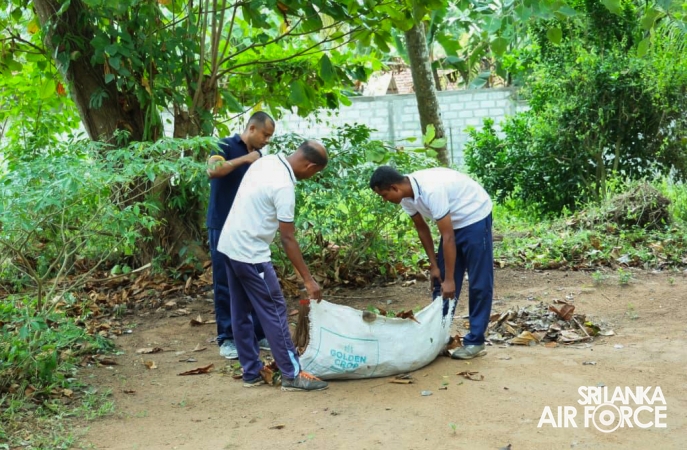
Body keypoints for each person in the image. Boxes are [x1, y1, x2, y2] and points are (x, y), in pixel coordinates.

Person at [217, 140, 330, 391]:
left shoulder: (266, 161)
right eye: (315, 173)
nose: (311, 177)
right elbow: (287, 238)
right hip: (251, 254)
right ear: (310, 166)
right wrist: (308, 279)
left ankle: (251, 372)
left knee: (240, 311)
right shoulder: (284, 186)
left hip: (229, 245)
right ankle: (292, 374)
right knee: (275, 311)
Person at [369, 165, 494, 360]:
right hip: (451, 224)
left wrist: (450, 279)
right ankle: (438, 336)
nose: (385, 200)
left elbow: (448, 236)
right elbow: (422, 229)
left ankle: (476, 341)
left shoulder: (431, 190)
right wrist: (435, 266)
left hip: (474, 215)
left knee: (479, 282)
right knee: (440, 282)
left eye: (384, 195)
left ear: (394, 188)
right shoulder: (406, 198)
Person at [206, 112, 275, 359]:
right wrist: (246, 159)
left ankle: (257, 333)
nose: (267, 140)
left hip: (248, 227)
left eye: (270, 136)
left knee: (254, 279)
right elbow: (213, 170)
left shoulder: (260, 157)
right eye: (265, 134)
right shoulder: (224, 145)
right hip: (222, 224)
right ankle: (227, 338)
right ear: (252, 128)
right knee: (224, 281)